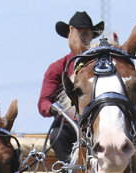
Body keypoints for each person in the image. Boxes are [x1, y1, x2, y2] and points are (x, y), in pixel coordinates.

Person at [38, 10, 104, 164]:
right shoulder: (57, 68)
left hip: (98, 123)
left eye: (86, 33)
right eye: (77, 34)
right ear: (69, 36)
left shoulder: (102, 65)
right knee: (57, 136)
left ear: (92, 35)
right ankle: (68, 172)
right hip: (69, 125)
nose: (81, 37)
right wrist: (54, 108)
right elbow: (43, 102)